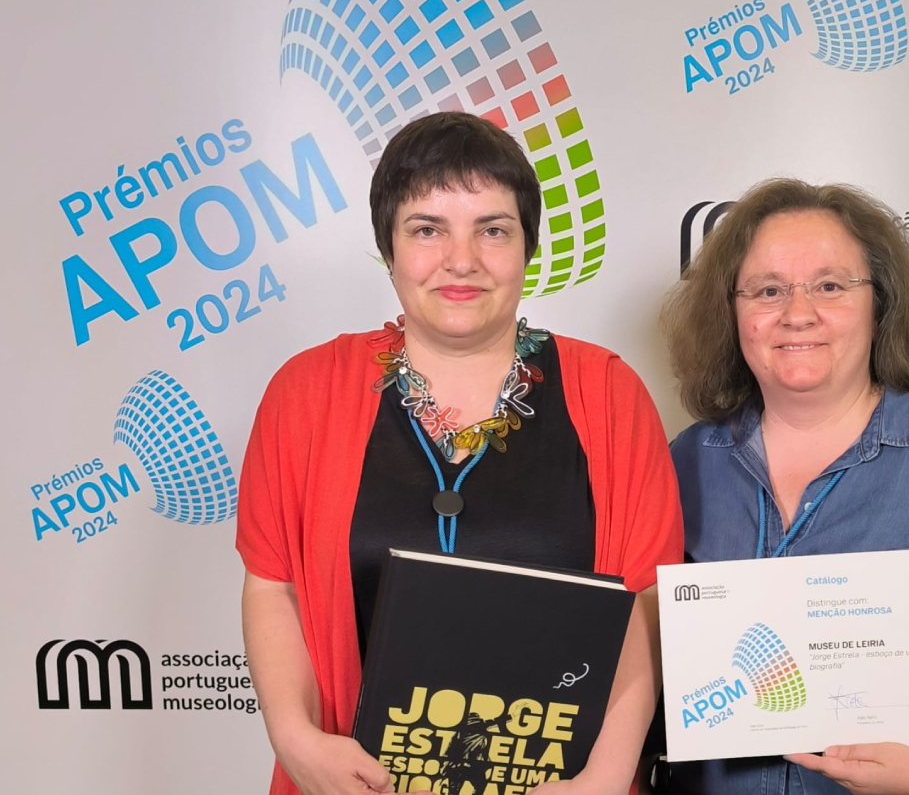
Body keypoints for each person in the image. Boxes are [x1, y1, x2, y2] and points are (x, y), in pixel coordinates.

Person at [236, 111, 682, 795]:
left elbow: (644, 603)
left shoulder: (608, 393)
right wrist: (296, 741)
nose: (462, 259)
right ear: (388, 247)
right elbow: (274, 586)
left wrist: (605, 775)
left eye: (492, 230)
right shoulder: (306, 392)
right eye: (427, 229)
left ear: (528, 246)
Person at [659, 179, 909, 795]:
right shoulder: (685, 461)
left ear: (880, 303)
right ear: (732, 313)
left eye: (830, 286)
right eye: (768, 290)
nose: (798, 313)